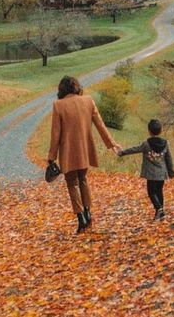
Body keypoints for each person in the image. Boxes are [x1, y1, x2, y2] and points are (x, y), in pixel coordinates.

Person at [48, 76, 121, 234]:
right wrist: (112, 144)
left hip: (68, 152)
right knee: (83, 180)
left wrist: (51, 157)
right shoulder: (88, 101)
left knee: (72, 183)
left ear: (61, 89)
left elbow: (55, 135)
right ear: (76, 87)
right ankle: (88, 212)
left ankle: (81, 218)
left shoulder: (58, 106)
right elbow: (100, 124)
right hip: (85, 150)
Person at [117, 119, 174, 220]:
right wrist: (171, 173)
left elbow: (134, 149)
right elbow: (169, 159)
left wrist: (122, 152)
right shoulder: (165, 143)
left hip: (151, 174)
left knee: (151, 192)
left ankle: (159, 209)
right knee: (159, 191)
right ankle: (161, 213)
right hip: (161, 174)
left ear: (149, 131)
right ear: (160, 130)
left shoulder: (146, 144)